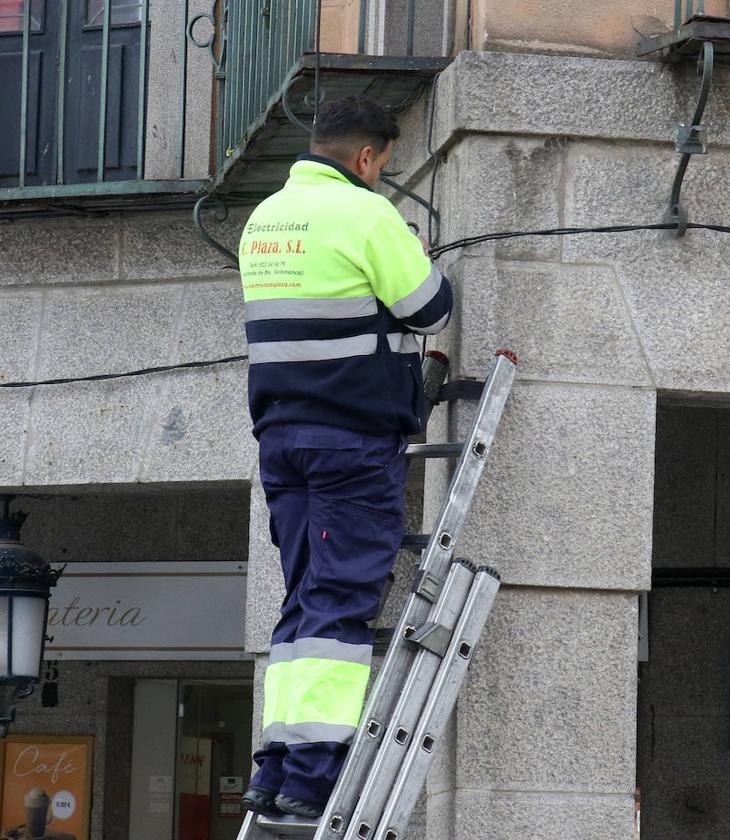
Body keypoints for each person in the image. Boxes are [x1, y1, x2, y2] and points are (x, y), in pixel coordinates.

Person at [236, 96, 453, 819]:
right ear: (367, 157)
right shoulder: (366, 215)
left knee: (304, 598)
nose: (383, 176)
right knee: (339, 603)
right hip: (351, 442)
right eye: (384, 165)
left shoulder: (265, 219)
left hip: (282, 442)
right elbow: (430, 308)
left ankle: (274, 765)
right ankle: (311, 779)